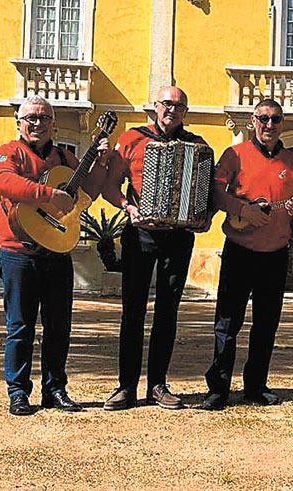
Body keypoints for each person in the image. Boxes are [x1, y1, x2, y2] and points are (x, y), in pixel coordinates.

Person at [0, 95, 109, 415]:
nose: (37, 123)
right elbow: (4, 182)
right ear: (19, 123)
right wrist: (48, 195)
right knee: (20, 327)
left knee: (58, 327)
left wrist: (100, 163)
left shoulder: (66, 157)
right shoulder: (8, 152)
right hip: (18, 253)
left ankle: (55, 389)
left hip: (57, 250)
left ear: (53, 124)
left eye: (44, 118)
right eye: (31, 117)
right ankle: (18, 392)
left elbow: (86, 195)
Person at [101, 86, 210, 411]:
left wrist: (203, 215)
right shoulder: (132, 139)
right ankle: (126, 386)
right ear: (155, 106)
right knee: (132, 312)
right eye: (166, 103)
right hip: (140, 235)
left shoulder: (198, 145)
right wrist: (127, 206)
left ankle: (158, 385)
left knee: (167, 312)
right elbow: (110, 186)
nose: (171, 110)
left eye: (178, 105)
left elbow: (207, 191)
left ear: (185, 111)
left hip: (178, 236)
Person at [202, 100, 293, 411]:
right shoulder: (235, 154)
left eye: (275, 119)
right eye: (263, 118)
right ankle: (218, 388)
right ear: (253, 120)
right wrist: (241, 209)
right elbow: (215, 192)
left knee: (266, 324)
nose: (269, 125)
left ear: (282, 123)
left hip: (275, 254)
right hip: (239, 250)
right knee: (227, 322)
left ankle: (256, 386)